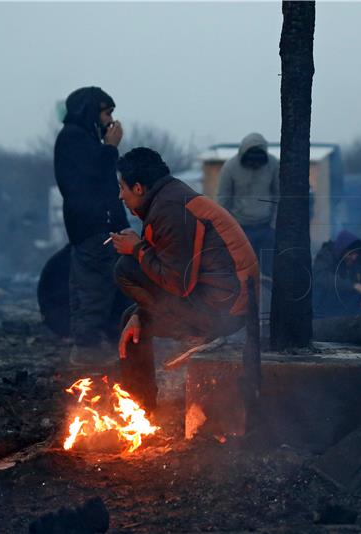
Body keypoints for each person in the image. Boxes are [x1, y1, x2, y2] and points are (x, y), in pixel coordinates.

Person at [110, 147, 258, 411]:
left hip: (225, 309)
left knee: (125, 268)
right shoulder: (169, 199)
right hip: (218, 300)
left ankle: (203, 335)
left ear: (139, 188)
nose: (120, 196)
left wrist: (136, 248)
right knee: (131, 323)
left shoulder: (170, 208)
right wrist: (140, 313)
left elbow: (177, 283)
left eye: (123, 188)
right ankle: (139, 412)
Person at [54, 86, 129, 363]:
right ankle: (88, 351)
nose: (110, 120)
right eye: (106, 112)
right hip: (90, 226)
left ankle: (100, 346)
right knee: (94, 288)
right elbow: (95, 179)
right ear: (91, 111)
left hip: (96, 225)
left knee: (104, 285)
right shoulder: (74, 139)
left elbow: (108, 187)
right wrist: (110, 148)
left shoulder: (82, 139)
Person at [217, 133, 279, 278]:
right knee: (242, 271)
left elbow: (279, 195)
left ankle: (267, 299)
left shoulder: (274, 165)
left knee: (268, 273)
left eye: (258, 162)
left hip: (266, 229)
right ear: (244, 155)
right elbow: (223, 200)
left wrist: (274, 226)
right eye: (251, 161)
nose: (255, 165)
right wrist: (223, 230)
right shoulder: (230, 167)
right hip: (239, 228)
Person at [312, 230, 361, 319]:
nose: (354, 257)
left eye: (356, 254)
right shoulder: (326, 255)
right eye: (350, 254)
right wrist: (354, 285)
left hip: (348, 303)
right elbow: (320, 277)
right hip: (325, 305)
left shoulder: (359, 257)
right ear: (341, 251)